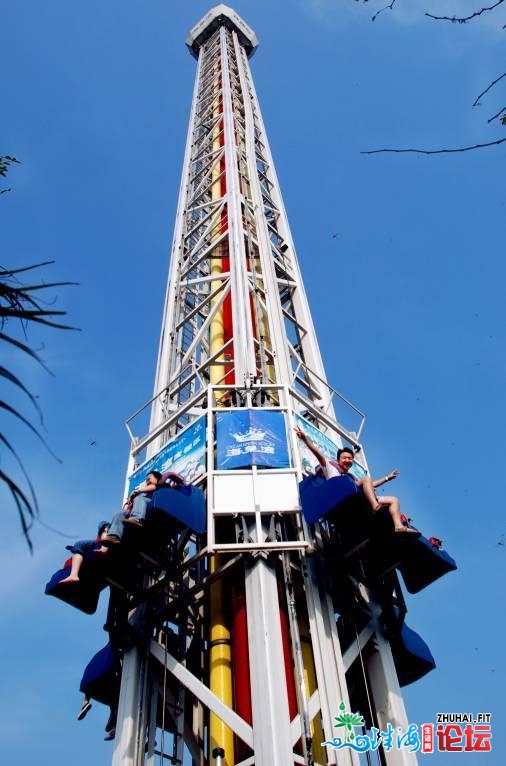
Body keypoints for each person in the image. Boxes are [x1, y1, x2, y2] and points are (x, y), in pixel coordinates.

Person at [295, 427, 418, 534]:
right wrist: (305, 439)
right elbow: (318, 453)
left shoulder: (350, 477)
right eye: (345, 458)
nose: (348, 460)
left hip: (354, 494)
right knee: (366, 479)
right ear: (338, 460)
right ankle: (375, 506)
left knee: (394, 500)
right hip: (338, 494)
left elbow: (368, 485)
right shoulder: (330, 467)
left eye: (350, 458)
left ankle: (399, 526)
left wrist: (387, 478)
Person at [103, 471, 162, 544]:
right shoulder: (144, 494)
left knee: (139, 498)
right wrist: (130, 502)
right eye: (146, 480)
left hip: (155, 504)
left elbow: (154, 487)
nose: (147, 482)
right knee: (121, 513)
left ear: (157, 479)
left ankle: (137, 519)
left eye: (149, 479)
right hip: (142, 507)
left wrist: (137, 491)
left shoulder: (161, 486)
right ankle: (113, 536)